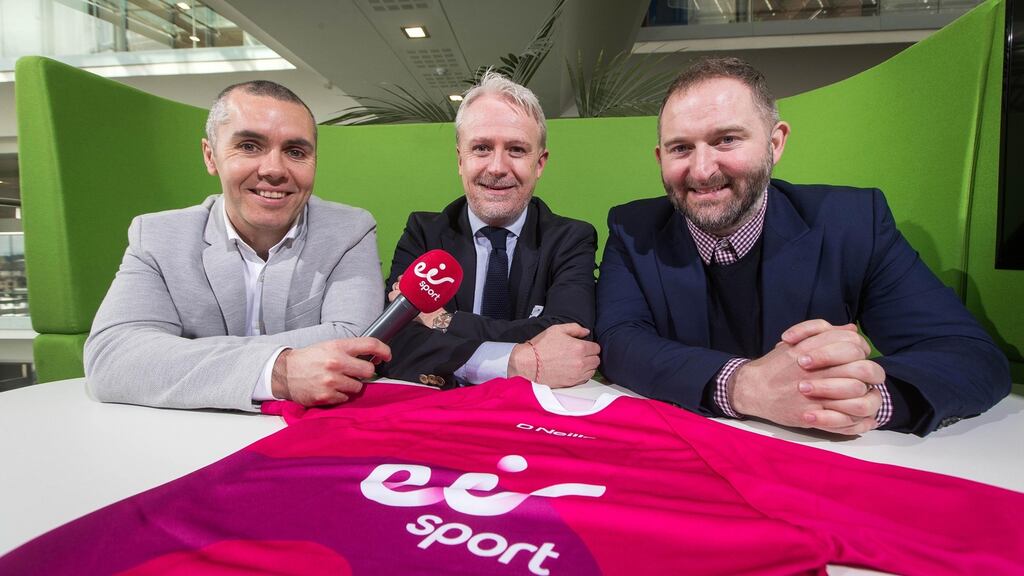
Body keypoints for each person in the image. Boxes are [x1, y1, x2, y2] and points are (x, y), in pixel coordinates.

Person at [596, 57, 1010, 436]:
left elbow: (971, 356)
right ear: (660, 157)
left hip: (817, 459)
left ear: (775, 143)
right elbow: (619, 342)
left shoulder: (853, 223)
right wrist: (743, 385)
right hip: (685, 450)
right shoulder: (633, 229)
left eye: (726, 140)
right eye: (681, 148)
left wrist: (866, 400)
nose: (702, 170)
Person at [84, 80, 390, 411]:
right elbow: (112, 356)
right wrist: (278, 371)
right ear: (210, 156)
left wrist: (182, 353)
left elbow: (356, 341)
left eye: (295, 152)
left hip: (301, 438)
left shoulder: (350, 230)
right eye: (249, 146)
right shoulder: (157, 235)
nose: (274, 169)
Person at [377, 71, 600, 389]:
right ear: (459, 160)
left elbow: (570, 339)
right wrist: (512, 363)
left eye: (517, 150)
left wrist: (444, 321)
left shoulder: (570, 239)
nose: (497, 167)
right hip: (441, 413)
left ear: (539, 163)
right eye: (481, 148)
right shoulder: (423, 233)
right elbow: (392, 342)